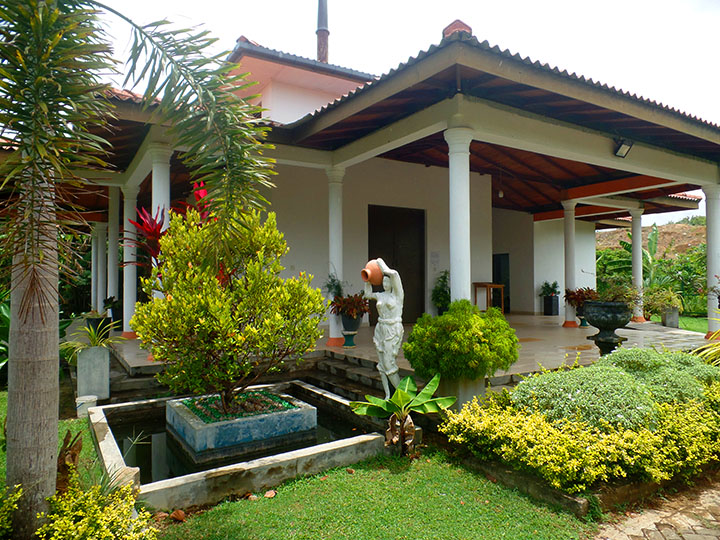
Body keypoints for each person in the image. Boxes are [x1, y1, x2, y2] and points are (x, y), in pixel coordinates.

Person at [364, 258, 403, 399]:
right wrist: (367, 278)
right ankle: (387, 394)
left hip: (392, 329)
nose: (385, 284)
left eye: (388, 282)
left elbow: (394, 274)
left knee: (389, 363)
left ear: (392, 284)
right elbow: (367, 295)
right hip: (381, 328)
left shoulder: (398, 295)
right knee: (381, 364)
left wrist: (382, 265)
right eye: (384, 282)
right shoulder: (380, 295)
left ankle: (403, 396)